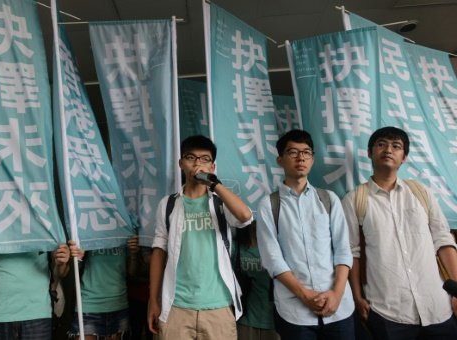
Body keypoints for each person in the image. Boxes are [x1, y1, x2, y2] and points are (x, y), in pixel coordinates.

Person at [342, 126, 457, 339]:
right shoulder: (355, 199)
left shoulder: (420, 193)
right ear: (369, 152)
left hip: (438, 309)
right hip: (388, 312)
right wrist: (357, 297)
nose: (388, 149)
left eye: (396, 146)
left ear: (404, 157)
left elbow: (443, 240)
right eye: (381, 144)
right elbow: (352, 252)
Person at [147, 135, 253, 340]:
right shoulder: (168, 204)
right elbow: (159, 252)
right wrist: (153, 299)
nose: (197, 163)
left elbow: (245, 217)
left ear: (212, 166)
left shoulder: (221, 203)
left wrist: (214, 185)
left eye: (204, 159)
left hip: (219, 306)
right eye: (191, 157)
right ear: (181, 163)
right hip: (176, 307)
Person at [256, 129, 355, 340]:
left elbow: (343, 250)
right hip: (295, 311)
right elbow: (272, 259)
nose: (301, 157)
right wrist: (304, 294)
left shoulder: (329, 199)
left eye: (306, 152)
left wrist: (337, 294)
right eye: (293, 152)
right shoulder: (269, 205)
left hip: (339, 308)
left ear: (312, 159)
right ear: (280, 159)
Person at [67, 235, 139, 340]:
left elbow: (132, 273)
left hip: (118, 305)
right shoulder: (86, 229)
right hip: (89, 305)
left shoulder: (125, 228)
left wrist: (134, 254)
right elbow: (70, 275)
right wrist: (78, 257)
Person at [233, 221, 280, 340]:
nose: (256, 221)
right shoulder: (237, 248)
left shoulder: (276, 249)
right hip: (245, 319)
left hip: (273, 319)